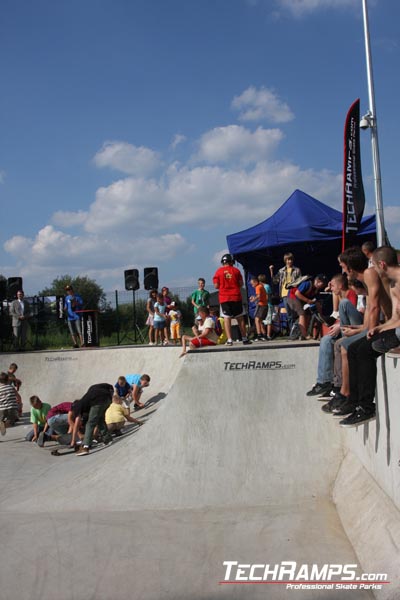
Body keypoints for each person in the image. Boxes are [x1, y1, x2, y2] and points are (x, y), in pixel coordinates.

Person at [306, 273, 363, 399]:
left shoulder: (350, 296)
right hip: (346, 327)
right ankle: (326, 381)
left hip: (355, 328)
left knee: (332, 341)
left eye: (333, 285)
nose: (330, 288)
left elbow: (354, 316)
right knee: (326, 340)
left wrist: (339, 325)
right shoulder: (342, 297)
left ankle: (332, 383)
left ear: (341, 286)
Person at [213, 253, 251, 346]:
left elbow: (216, 286)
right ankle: (244, 338)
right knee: (240, 318)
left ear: (223, 262)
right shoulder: (236, 271)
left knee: (227, 318)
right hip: (236, 296)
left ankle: (230, 340)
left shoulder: (218, 272)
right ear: (231, 262)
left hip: (224, 298)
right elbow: (241, 284)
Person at [71, 383, 114, 456]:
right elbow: (111, 389)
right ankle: (107, 439)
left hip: (97, 402)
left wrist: (73, 439)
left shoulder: (77, 406)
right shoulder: (93, 391)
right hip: (108, 399)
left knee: (90, 424)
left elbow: (77, 423)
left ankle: (85, 447)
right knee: (100, 419)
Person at [286, 274, 328, 340]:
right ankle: (305, 335)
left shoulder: (317, 290)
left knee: (308, 314)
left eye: (323, 284)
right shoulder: (307, 284)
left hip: (300, 300)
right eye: (320, 282)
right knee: (302, 313)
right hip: (292, 297)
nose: (321, 285)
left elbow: (317, 303)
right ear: (316, 280)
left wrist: (321, 315)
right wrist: (308, 300)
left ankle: (302, 334)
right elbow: (297, 293)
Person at [269, 253, 301, 334]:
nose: (289, 261)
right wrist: (271, 271)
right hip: (284, 294)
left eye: (290, 259)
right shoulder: (281, 270)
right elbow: (275, 281)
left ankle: (298, 331)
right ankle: (292, 333)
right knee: (289, 314)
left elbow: (300, 281)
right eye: (287, 260)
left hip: (293, 293)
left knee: (296, 313)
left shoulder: (297, 270)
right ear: (285, 261)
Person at [249, 275, 268, 341]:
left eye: (252, 284)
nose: (252, 285)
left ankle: (259, 335)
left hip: (261, 305)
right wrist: (254, 297)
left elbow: (259, 296)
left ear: (256, 282)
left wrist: (253, 300)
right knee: (260, 321)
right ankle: (264, 335)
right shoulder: (261, 286)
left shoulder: (258, 287)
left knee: (257, 319)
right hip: (264, 305)